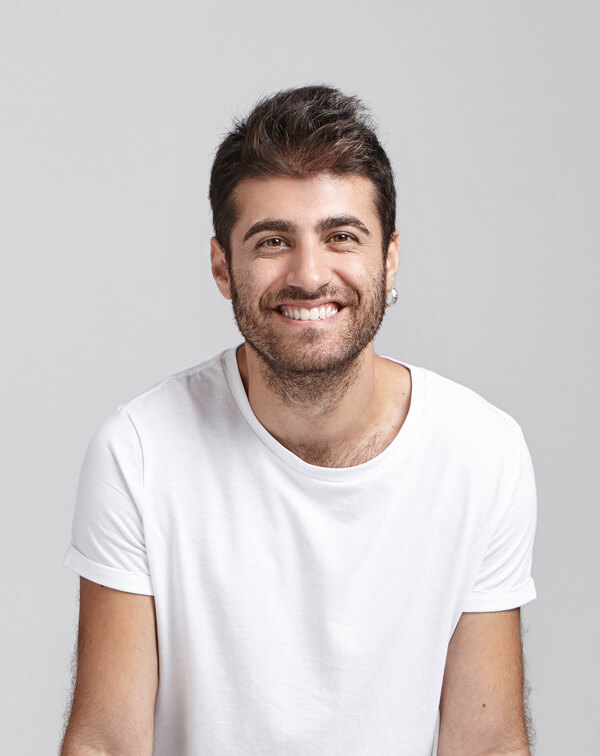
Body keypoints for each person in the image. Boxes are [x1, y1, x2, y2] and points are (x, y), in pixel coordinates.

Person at [60, 84, 537, 756]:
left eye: (341, 236)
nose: (310, 276)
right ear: (223, 267)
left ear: (389, 258)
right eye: (272, 241)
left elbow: (486, 742)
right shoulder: (139, 453)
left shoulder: (482, 453)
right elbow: (107, 743)